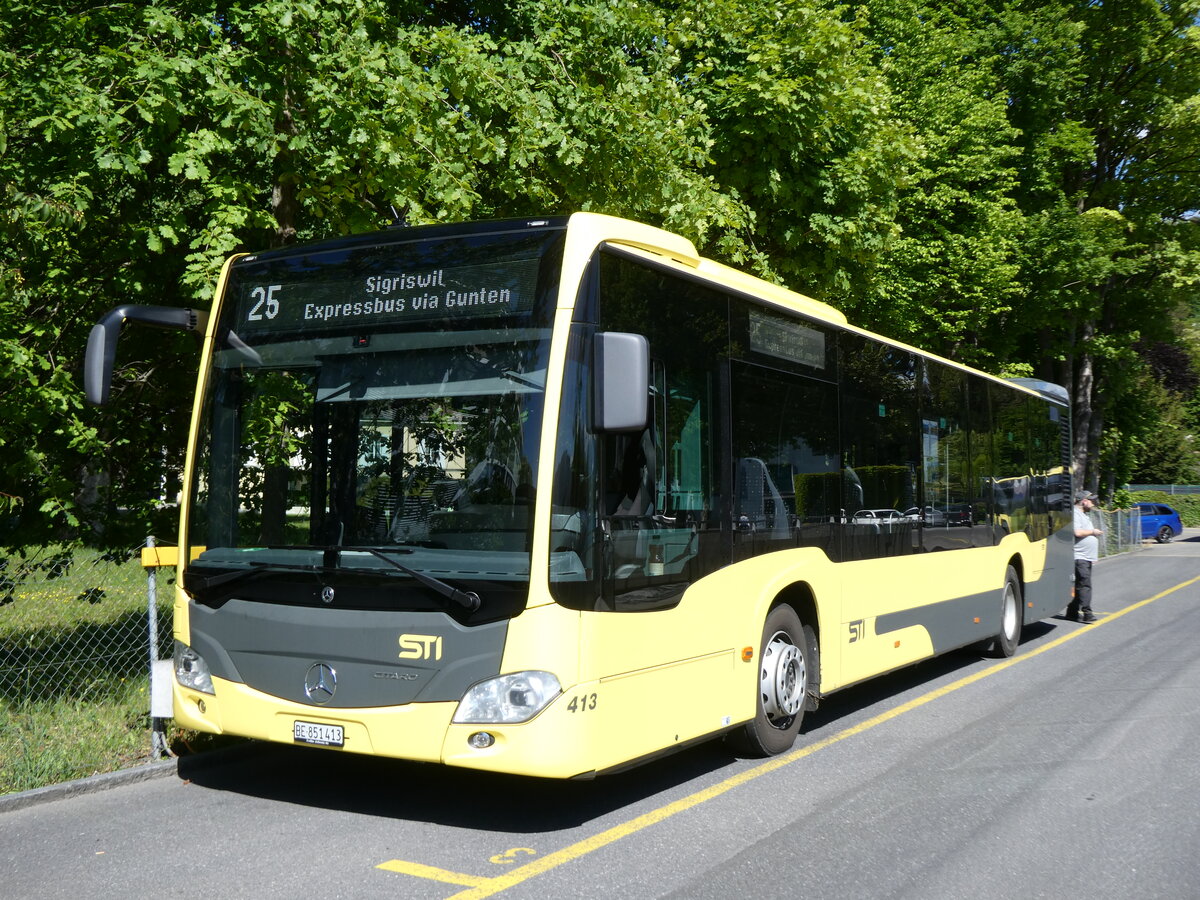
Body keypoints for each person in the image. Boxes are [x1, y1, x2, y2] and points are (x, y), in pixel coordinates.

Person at [1068, 490, 1103, 623]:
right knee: (1085, 585)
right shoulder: (1076, 514)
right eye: (1091, 500)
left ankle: (1071, 612)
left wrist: (1092, 556)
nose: (1093, 503)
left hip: (1085, 557)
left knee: (1079, 584)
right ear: (1083, 501)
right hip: (1079, 556)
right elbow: (1077, 532)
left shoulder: (1084, 515)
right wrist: (1093, 532)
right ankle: (1087, 613)